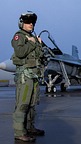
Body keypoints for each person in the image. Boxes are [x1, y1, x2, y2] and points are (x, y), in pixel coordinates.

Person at [11, 11, 45, 142]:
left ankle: (29, 128)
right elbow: (20, 53)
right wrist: (32, 43)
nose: (31, 24)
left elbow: (38, 56)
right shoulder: (19, 36)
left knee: (32, 104)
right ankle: (19, 132)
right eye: (27, 22)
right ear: (21, 23)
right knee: (23, 104)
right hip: (25, 76)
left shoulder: (33, 37)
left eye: (32, 22)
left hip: (34, 76)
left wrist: (39, 44)